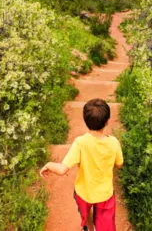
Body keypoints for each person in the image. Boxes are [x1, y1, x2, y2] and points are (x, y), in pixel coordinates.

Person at [40, 98, 124, 231]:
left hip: (84, 192)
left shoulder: (80, 143)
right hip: (105, 194)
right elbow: (119, 164)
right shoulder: (114, 143)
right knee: (105, 224)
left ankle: (90, 228)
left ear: (86, 122)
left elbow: (62, 169)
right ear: (107, 121)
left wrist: (49, 164)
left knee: (86, 215)